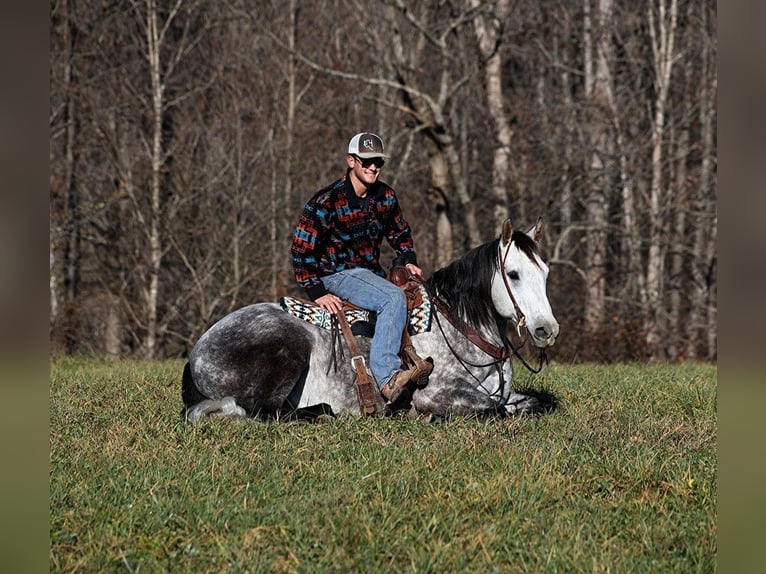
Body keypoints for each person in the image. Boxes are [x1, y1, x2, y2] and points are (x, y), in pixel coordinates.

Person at [291, 132, 432, 403]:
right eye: (366, 161)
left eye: (378, 161)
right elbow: (301, 250)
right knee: (392, 298)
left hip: (369, 274)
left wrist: (408, 258)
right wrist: (317, 291)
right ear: (351, 161)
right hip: (336, 274)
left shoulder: (385, 196)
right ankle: (388, 378)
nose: (373, 167)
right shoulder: (326, 201)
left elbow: (400, 233)